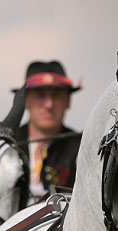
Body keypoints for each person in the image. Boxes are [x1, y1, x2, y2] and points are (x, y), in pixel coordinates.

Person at [15, 60, 82, 200]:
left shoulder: (83, 148)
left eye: (56, 95)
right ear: (25, 101)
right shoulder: (8, 147)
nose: (49, 104)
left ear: (68, 101)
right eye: (40, 95)